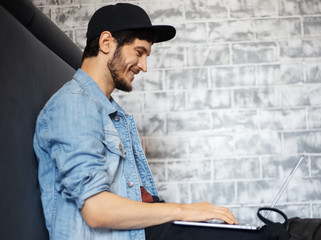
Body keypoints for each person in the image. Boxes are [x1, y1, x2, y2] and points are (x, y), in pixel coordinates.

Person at [33, 3, 278, 240]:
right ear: (106, 43)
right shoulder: (74, 105)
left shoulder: (111, 112)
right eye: (139, 53)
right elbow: (97, 210)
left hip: (145, 232)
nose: (144, 66)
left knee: (271, 233)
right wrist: (185, 210)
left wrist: (184, 216)